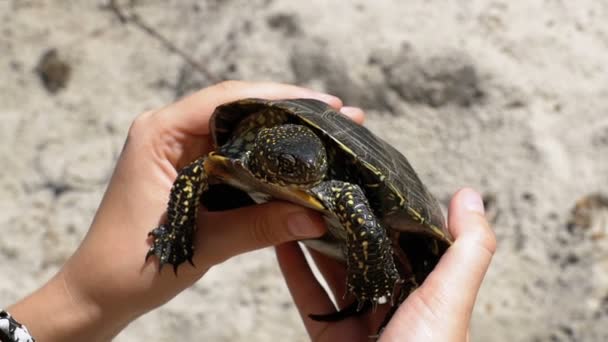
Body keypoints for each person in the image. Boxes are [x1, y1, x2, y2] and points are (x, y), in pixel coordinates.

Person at [3, 81, 496, 342]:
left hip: (372, 214)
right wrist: (169, 234)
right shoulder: (237, 153)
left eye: (309, 166)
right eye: (289, 166)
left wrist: (81, 301)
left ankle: (376, 284)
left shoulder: (332, 179)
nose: (303, 172)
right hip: (296, 203)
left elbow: (357, 202)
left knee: (392, 233)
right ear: (265, 154)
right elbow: (197, 172)